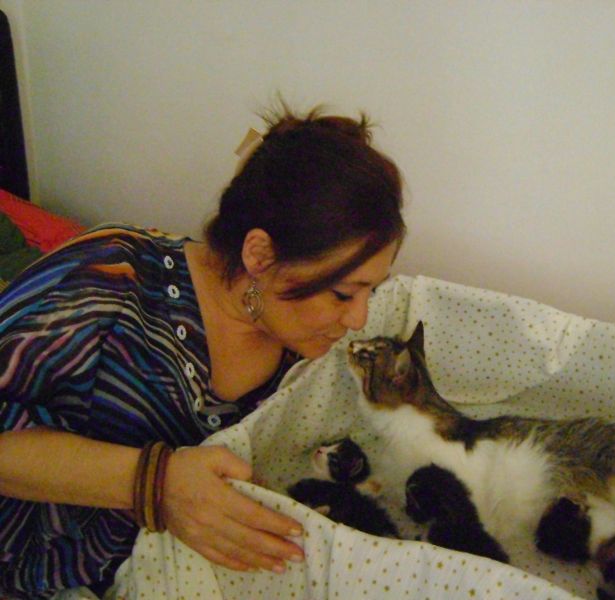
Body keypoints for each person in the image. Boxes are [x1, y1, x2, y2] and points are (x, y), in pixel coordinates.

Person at [0, 104, 406, 598]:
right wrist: (154, 481)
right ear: (260, 255)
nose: (359, 319)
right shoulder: (110, 279)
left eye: (371, 292)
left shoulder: (296, 349)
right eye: (343, 294)